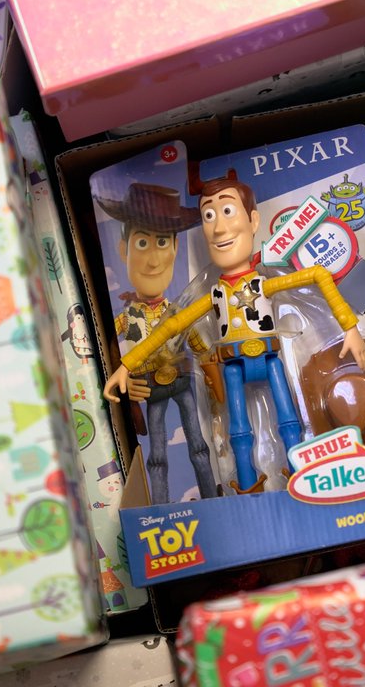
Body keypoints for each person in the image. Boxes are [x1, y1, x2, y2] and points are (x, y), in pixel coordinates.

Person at [104, 172, 365, 494]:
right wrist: (126, 365)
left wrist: (350, 329)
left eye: (227, 211)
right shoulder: (214, 294)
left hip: (270, 357)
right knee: (239, 431)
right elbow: (172, 325)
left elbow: (317, 274)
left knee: (290, 422)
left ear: (253, 219)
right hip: (231, 364)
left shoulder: (264, 282)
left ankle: (302, 473)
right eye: (208, 215)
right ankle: (247, 485)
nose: (218, 227)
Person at [97, 183, 220, 503]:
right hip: (150, 387)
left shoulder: (179, 312)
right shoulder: (126, 316)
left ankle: (211, 500)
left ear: (175, 248)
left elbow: (199, 346)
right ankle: (163, 508)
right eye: (141, 242)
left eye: (162, 242)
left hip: (181, 383)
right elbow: (110, 347)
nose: (152, 260)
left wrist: (214, 375)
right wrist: (128, 391)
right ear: (124, 250)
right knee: (157, 454)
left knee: (199, 446)